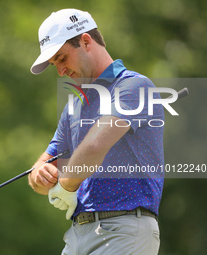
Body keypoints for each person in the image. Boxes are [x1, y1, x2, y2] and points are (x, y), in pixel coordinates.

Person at [28, 8, 164, 255]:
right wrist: (40, 175)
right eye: (53, 64)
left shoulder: (134, 86)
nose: (60, 71)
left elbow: (95, 146)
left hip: (123, 230)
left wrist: (66, 185)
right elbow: (44, 163)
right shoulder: (75, 107)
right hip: (77, 235)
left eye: (62, 58)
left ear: (86, 41)